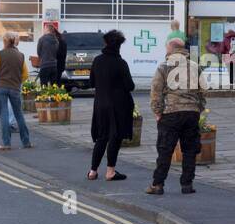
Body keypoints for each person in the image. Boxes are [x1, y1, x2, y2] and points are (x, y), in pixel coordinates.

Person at [146, 38, 206, 195]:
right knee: (190, 150)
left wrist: (157, 112)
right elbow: (203, 91)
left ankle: (158, 184)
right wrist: (198, 109)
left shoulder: (163, 67)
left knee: (165, 150)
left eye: (166, 47)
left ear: (171, 49)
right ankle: (187, 184)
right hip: (191, 113)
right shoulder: (195, 66)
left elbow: (156, 91)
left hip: (171, 113)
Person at [88, 30, 135, 181]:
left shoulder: (97, 60)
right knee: (115, 137)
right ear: (119, 46)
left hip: (100, 103)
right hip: (118, 105)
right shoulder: (121, 63)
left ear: (106, 43)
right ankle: (110, 171)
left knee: (102, 137)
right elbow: (130, 86)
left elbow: (91, 83)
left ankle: (93, 171)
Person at [0, 33, 32, 150]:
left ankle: (6, 143)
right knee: (19, 114)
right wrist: (18, 81)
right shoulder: (20, 56)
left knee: (4, 113)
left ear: (4, 42)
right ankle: (26, 142)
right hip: (15, 87)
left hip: (0, 87)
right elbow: (25, 74)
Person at [35, 22, 60, 88]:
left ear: (47, 29)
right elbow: (56, 51)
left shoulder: (42, 39)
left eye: (44, 29)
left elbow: (38, 52)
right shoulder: (56, 40)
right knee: (54, 85)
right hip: (54, 65)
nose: (43, 30)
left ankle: (44, 98)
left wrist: (43, 57)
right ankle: (54, 98)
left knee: (44, 85)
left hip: (45, 65)